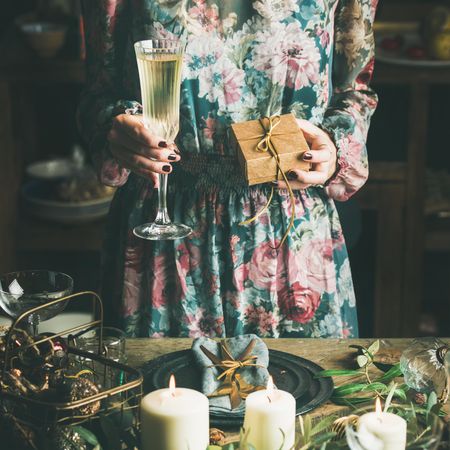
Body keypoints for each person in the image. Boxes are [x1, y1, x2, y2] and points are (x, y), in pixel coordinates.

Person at [78, 0, 378, 338]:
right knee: (157, 386)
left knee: (296, 386)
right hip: (164, 228)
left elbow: (354, 88)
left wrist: (335, 146)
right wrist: (112, 127)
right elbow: (97, 93)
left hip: (291, 232)